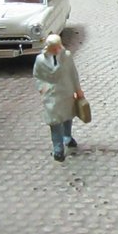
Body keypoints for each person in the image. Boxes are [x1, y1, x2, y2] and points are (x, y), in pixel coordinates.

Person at [32, 34, 85, 163]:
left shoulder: (66, 56)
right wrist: (42, 88)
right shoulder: (40, 60)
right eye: (53, 48)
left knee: (67, 116)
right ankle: (58, 148)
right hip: (51, 95)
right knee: (54, 122)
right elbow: (37, 75)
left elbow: (73, 73)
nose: (56, 50)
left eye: (58, 47)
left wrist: (78, 89)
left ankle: (67, 136)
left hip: (66, 91)